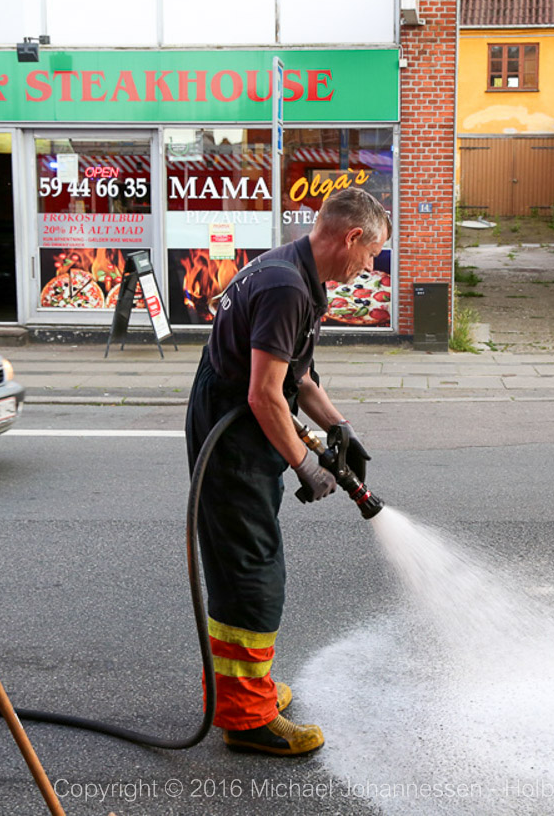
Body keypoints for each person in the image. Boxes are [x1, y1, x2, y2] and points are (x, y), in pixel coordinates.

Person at [185, 187, 386, 756]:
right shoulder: (285, 286)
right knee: (252, 578)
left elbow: (295, 375)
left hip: (240, 428)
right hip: (233, 441)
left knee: (242, 571)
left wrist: (338, 426)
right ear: (350, 238)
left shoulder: (293, 272)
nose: (369, 267)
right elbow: (263, 394)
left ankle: (241, 691)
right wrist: (307, 465)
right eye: (370, 255)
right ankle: (248, 720)